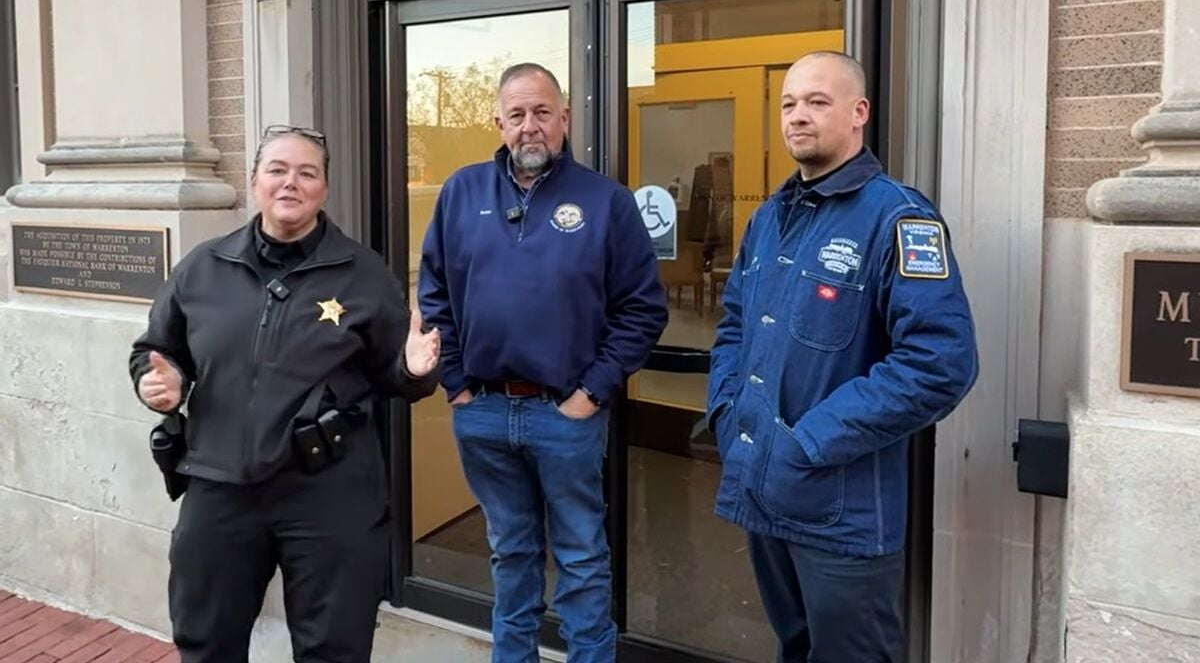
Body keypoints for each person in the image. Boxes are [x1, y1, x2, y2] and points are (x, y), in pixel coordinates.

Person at [129, 125, 441, 663]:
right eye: (277, 170)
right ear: (255, 181)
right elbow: (156, 348)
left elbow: (398, 377)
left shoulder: (363, 275)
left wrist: (414, 369)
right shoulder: (204, 267)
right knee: (205, 643)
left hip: (328, 491)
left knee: (334, 650)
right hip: (220, 486)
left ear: (324, 188)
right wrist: (160, 381)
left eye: (306, 173)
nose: (290, 182)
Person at [707, 52, 978, 663]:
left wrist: (809, 442)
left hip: (842, 516)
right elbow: (734, 327)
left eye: (817, 102)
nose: (797, 116)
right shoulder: (768, 218)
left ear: (859, 113)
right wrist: (727, 413)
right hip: (763, 491)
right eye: (788, 104)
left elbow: (940, 363)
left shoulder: (899, 218)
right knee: (795, 649)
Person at [419, 63, 668, 662]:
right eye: (517, 114)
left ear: (564, 118)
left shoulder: (606, 202)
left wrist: (591, 393)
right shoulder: (461, 193)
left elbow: (642, 310)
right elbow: (434, 296)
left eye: (542, 113)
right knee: (510, 554)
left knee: (580, 557)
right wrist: (456, 384)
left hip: (566, 415)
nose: (530, 126)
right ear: (498, 122)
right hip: (482, 411)